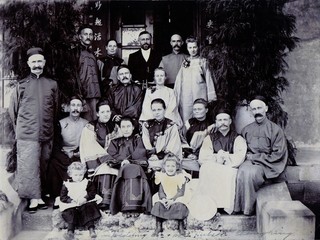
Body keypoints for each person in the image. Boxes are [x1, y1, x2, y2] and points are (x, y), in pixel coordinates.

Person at [8, 47, 59, 213]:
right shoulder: (21, 85)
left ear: (44, 63)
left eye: (39, 61)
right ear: (29, 64)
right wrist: (21, 129)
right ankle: (33, 200)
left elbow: (55, 109)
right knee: (29, 165)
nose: (37, 65)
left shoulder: (52, 84)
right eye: (34, 62)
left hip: (46, 132)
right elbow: (13, 111)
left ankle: (40, 195)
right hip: (27, 133)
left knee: (43, 164)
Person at [234, 96, 288, 215]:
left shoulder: (275, 130)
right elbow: (241, 149)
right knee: (241, 172)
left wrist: (256, 157)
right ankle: (238, 208)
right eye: (254, 109)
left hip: (267, 164)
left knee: (251, 174)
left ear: (266, 109)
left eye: (259, 108)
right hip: (250, 161)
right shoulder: (247, 129)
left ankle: (249, 210)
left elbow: (278, 154)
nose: (257, 112)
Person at [195, 109, 247, 214]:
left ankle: (224, 206)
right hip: (214, 165)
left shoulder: (237, 138)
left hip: (230, 167)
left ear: (230, 121)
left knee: (228, 173)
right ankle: (209, 205)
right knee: (206, 169)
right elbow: (203, 156)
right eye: (219, 120)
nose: (222, 123)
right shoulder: (209, 138)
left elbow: (240, 156)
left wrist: (226, 158)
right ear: (216, 122)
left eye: (225, 120)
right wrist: (217, 158)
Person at [79, 100, 122, 210]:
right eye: (103, 112)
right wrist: (107, 158)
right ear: (97, 113)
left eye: (108, 111)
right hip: (97, 161)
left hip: (113, 159)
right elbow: (88, 147)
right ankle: (104, 200)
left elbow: (120, 145)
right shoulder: (90, 127)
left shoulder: (116, 127)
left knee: (115, 169)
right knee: (105, 169)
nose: (106, 114)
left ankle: (114, 201)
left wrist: (115, 159)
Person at [47, 96, 88, 208]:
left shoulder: (86, 123)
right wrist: (66, 154)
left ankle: (77, 197)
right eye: (73, 105)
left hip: (80, 153)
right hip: (64, 154)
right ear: (69, 107)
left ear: (82, 108)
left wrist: (78, 153)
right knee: (53, 164)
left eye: (78, 105)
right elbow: (55, 144)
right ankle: (57, 197)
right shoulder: (61, 123)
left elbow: (88, 142)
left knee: (82, 165)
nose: (75, 108)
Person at [108, 117, 152, 217]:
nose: (126, 129)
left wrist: (129, 161)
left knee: (133, 169)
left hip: (135, 165)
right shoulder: (114, 142)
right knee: (123, 169)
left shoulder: (138, 140)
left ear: (133, 127)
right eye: (123, 127)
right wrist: (122, 161)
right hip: (119, 166)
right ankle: (123, 206)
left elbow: (140, 154)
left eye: (128, 126)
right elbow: (111, 155)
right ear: (119, 128)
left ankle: (136, 206)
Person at [174, 37, 217, 123]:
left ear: (198, 48)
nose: (192, 50)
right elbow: (179, 81)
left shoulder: (203, 61)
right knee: (187, 116)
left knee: (200, 113)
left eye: (194, 47)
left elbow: (208, 78)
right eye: (190, 47)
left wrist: (211, 97)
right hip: (186, 95)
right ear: (187, 48)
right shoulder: (185, 62)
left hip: (199, 93)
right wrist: (176, 95)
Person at [151, 154, 190, 237]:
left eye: (173, 166)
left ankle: (180, 225)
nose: (170, 168)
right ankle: (158, 225)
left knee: (180, 206)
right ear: (164, 167)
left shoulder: (180, 177)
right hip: (166, 198)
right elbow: (161, 191)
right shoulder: (162, 177)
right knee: (158, 204)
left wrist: (172, 200)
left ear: (177, 167)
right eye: (168, 166)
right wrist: (164, 199)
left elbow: (181, 192)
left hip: (176, 198)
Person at [60, 162, 101, 240]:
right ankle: (70, 231)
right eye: (75, 175)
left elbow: (92, 192)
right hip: (72, 203)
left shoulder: (86, 182)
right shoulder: (67, 184)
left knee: (88, 209)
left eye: (80, 175)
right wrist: (70, 200)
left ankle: (91, 229)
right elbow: (63, 197)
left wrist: (85, 198)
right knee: (70, 212)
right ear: (70, 174)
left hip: (84, 202)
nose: (78, 177)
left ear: (84, 174)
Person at [142, 98, 182, 171]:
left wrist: (159, 156)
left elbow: (173, 145)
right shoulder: (146, 125)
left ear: (164, 109)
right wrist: (152, 155)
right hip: (151, 156)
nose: (156, 112)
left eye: (159, 109)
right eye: (154, 110)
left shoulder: (171, 125)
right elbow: (146, 142)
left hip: (166, 157)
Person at [71, 25, 101, 121]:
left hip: (95, 95)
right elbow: (72, 75)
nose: (88, 37)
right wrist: (78, 94)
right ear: (80, 36)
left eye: (91, 34)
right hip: (82, 95)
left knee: (94, 122)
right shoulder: (74, 53)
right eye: (85, 34)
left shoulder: (92, 54)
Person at [181, 98, 215, 176]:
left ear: (206, 110)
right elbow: (182, 139)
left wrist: (197, 154)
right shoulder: (189, 122)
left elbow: (212, 143)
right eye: (194, 109)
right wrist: (188, 153)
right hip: (188, 154)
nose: (196, 111)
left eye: (199, 109)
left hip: (204, 155)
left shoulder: (212, 125)